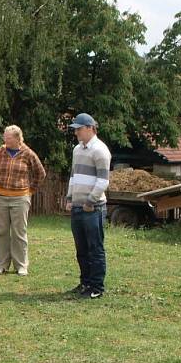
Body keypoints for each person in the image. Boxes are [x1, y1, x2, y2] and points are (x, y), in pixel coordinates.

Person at [0, 125, 46, 275]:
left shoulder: (28, 154)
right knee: (0, 231)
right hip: (0, 197)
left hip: (20, 198)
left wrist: (30, 190)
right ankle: (0, 264)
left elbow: (40, 173)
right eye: (4, 137)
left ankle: (21, 265)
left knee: (19, 232)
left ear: (17, 138)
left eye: (8, 137)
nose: (5, 139)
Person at [65, 113, 111, 299]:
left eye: (79, 129)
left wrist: (90, 201)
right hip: (77, 206)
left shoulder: (100, 150)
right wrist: (70, 198)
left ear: (90, 128)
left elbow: (103, 181)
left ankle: (96, 287)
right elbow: (74, 176)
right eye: (75, 129)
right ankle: (85, 282)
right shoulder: (77, 150)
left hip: (93, 208)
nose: (76, 132)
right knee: (81, 249)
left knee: (95, 248)